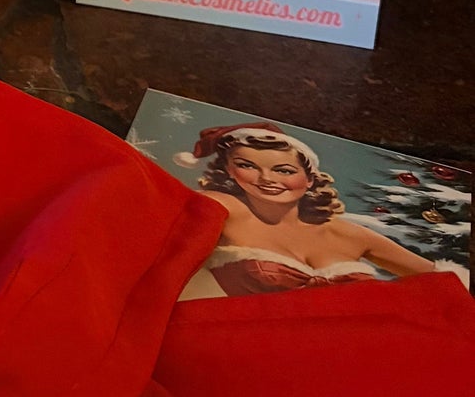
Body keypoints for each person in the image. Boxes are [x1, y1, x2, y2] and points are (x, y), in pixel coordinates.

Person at [175, 123, 443, 298]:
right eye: (248, 166)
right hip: (245, 356)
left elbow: (445, 284)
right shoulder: (224, 208)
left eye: (284, 170)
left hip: (352, 357)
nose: (266, 178)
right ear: (230, 172)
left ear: (310, 179)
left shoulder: (348, 233)